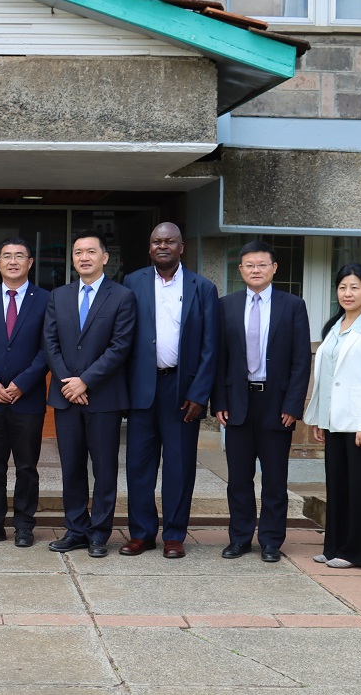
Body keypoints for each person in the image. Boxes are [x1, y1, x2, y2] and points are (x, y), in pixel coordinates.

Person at [121, 223, 220, 559]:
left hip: (182, 391)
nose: (162, 246)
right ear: (149, 247)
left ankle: (175, 535)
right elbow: (123, 339)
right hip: (142, 389)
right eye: (156, 241)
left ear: (181, 247)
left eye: (169, 241)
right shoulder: (132, 282)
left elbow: (210, 346)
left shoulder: (202, 288)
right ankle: (142, 534)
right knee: (138, 467)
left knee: (179, 467)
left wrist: (200, 393)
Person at [213, 240, 311, 563]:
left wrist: (293, 405)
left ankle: (271, 540)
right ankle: (240, 538)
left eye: (262, 264)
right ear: (240, 270)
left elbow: (300, 361)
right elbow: (220, 359)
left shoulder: (293, 305)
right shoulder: (226, 305)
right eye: (249, 265)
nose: (256, 270)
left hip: (276, 403)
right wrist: (220, 400)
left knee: (274, 478)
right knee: (238, 478)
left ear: (274, 268)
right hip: (238, 402)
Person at [44, 230, 136, 558]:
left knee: (104, 469)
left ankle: (99, 533)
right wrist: (69, 382)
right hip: (66, 396)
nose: (84, 257)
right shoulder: (59, 295)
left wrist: (85, 381)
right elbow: (50, 342)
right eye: (78, 252)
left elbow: (120, 347)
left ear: (104, 257)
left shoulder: (122, 297)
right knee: (71, 467)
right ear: (72, 259)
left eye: (91, 252)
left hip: (104, 398)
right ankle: (75, 529)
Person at [304, 264, 361, 569]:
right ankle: (334, 547)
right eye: (342, 287)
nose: (348, 293)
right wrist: (318, 418)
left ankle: (359, 552)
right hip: (335, 422)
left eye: (355, 287)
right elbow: (325, 378)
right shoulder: (333, 328)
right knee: (337, 486)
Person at [0, 238, 50, 548]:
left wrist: (22, 383)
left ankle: (25, 526)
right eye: (6, 256)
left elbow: (47, 348)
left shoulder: (45, 299)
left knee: (27, 466)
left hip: (27, 398)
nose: (13, 261)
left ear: (30, 263)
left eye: (19, 256)